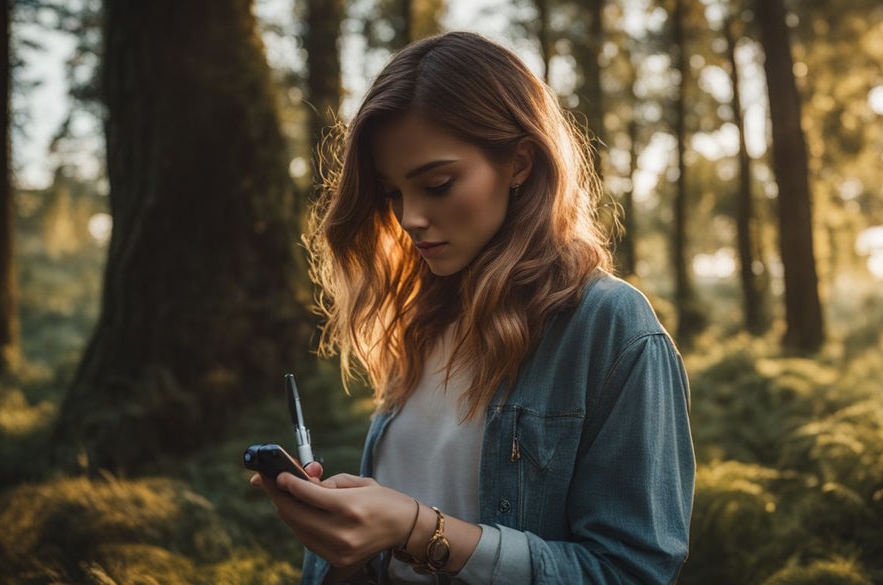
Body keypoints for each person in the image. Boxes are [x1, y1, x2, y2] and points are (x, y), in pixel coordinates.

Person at [250, 30, 695, 585]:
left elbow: (631, 572)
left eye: (436, 183)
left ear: (521, 163)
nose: (409, 217)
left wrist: (417, 529)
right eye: (392, 193)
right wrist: (345, 545)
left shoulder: (610, 327)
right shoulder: (417, 320)